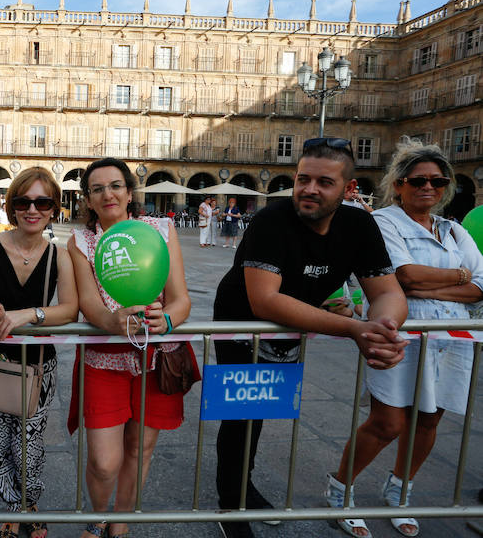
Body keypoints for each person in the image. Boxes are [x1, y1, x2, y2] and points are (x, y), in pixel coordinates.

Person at [212, 137, 408, 538]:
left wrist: (383, 329)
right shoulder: (272, 219)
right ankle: (231, 504)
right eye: (303, 179)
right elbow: (264, 300)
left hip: (297, 322)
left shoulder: (358, 224)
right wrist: (355, 328)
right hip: (241, 322)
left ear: (348, 189)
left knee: (261, 411)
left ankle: (244, 486)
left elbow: (387, 292)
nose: (309, 189)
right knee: (239, 416)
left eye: (324, 182)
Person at [328, 140, 483, 538]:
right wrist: (456, 277)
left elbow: (481, 286)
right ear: (399, 184)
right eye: (418, 180)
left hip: (454, 338)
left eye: (437, 180)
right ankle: (340, 491)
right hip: (401, 334)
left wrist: (433, 285)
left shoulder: (455, 229)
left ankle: (400, 493)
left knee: (429, 421)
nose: (428, 187)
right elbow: (403, 277)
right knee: (387, 422)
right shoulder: (382, 223)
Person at [67, 158, 192, 538]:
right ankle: (97, 515)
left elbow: (180, 299)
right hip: (103, 360)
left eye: (115, 185)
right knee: (104, 461)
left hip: (158, 359)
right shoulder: (80, 242)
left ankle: (120, 522)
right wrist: (113, 321)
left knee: (140, 449)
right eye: (98, 188)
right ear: (87, 199)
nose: (108, 194)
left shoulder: (160, 230)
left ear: (129, 191)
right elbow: (89, 304)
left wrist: (167, 320)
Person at [0, 167, 79, 538]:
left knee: (29, 446)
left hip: (38, 367)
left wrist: (28, 314)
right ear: (12, 206)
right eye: (23, 201)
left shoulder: (58, 256)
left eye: (42, 202)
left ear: (53, 209)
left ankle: (27, 504)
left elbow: (70, 310)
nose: (33, 209)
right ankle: (16, 509)